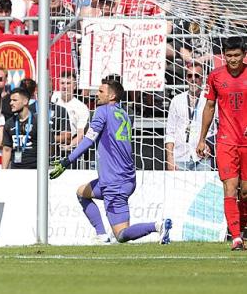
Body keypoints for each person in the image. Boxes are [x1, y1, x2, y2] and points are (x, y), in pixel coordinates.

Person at [50, 77, 173, 245]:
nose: (96, 94)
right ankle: (101, 235)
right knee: (81, 192)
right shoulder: (124, 114)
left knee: (121, 235)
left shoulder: (102, 111)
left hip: (114, 181)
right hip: (125, 178)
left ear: (112, 96)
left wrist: (66, 162)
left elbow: (88, 140)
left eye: (101, 91)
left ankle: (158, 226)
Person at [197, 37, 247, 251]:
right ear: (224, 56)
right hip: (226, 141)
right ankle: (235, 237)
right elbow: (209, 107)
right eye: (229, 56)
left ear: (244, 55)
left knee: (245, 191)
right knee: (230, 187)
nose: (233, 59)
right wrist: (201, 138)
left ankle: (243, 231)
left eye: (237, 55)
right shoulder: (215, 76)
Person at [165, 63, 213, 171]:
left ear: (203, 78)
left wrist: (210, 145)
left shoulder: (210, 101)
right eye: (189, 76)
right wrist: (169, 158)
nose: (193, 79)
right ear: (186, 78)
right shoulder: (176, 101)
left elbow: (218, 128)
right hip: (181, 157)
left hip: (203, 157)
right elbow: (170, 133)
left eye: (197, 76)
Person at [52, 70, 90, 150]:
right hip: (48, 143)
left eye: (68, 83)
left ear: (75, 86)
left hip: (68, 145)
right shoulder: (52, 97)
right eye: (62, 83)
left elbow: (80, 134)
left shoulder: (81, 107)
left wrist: (69, 146)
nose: (65, 86)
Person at [2, 87, 37, 169]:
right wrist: (3, 172)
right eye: (10, 100)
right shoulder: (9, 123)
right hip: (15, 169)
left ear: (25, 101)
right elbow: (7, 149)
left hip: (35, 170)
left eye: (15, 100)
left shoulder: (38, 122)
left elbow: (49, 147)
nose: (10, 103)